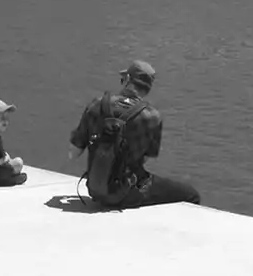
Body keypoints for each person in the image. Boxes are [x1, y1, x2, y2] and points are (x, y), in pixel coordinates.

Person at [65, 59, 200, 208]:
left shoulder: (97, 104)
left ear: (128, 80)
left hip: (95, 188)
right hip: (128, 193)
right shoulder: (153, 116)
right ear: (148, 88)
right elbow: (147, 157)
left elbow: (74, 153)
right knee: (191, 194)